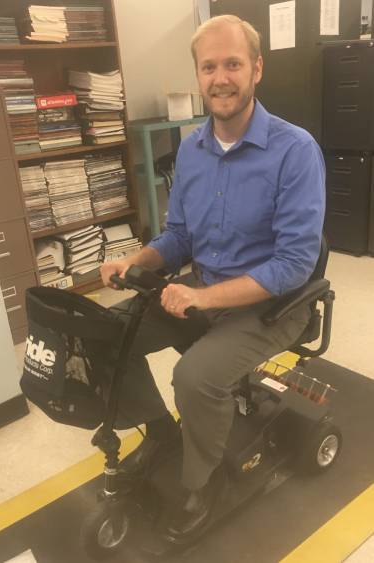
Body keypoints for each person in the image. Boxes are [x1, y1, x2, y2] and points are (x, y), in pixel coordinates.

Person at [100, 14, 326, 539]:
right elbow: (177, 235)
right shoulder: (192, 151)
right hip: (201, 296)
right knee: (109, 335)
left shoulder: (295, 152)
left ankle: (201, 483)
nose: (221, 78)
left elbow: (294, 265)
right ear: (198, 77)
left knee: (196, 376)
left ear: (257, 69)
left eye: (233, 64)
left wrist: (202, 296)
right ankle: (161, 434)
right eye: (209, 67)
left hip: (273, 307)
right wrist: (135, 261)